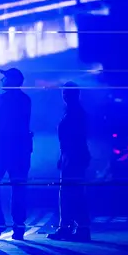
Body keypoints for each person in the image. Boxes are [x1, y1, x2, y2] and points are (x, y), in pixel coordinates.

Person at [0, 67, 33, 240]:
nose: (1, 81)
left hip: (2, 151)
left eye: (4, 78)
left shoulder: (1, 99)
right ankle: (18, 226)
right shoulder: (25, 100)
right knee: (18, 188)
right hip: (20, 151)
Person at [48, 82, 92, 241]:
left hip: (73, 157)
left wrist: (67, 157)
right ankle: (75, 227)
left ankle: (73, 227)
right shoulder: (73, 112)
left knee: (71, 193)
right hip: (72, 156)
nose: (64, 95)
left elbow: (75, 139)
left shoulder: (75, 114)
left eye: (67, 93)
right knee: (72, 192)